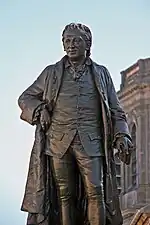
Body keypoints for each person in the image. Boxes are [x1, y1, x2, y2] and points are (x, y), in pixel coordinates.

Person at [18, 23, 133, 225]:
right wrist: (39, 109)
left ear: (87, 44)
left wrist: (122, 134)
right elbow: (25, 98)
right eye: (67, 41)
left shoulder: (101, 73)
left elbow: (116, 110)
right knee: (64, 195)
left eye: (76, 40)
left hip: (92, 141)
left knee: (96, 191)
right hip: (58, 142)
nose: (70, 45)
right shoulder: (51, 73)